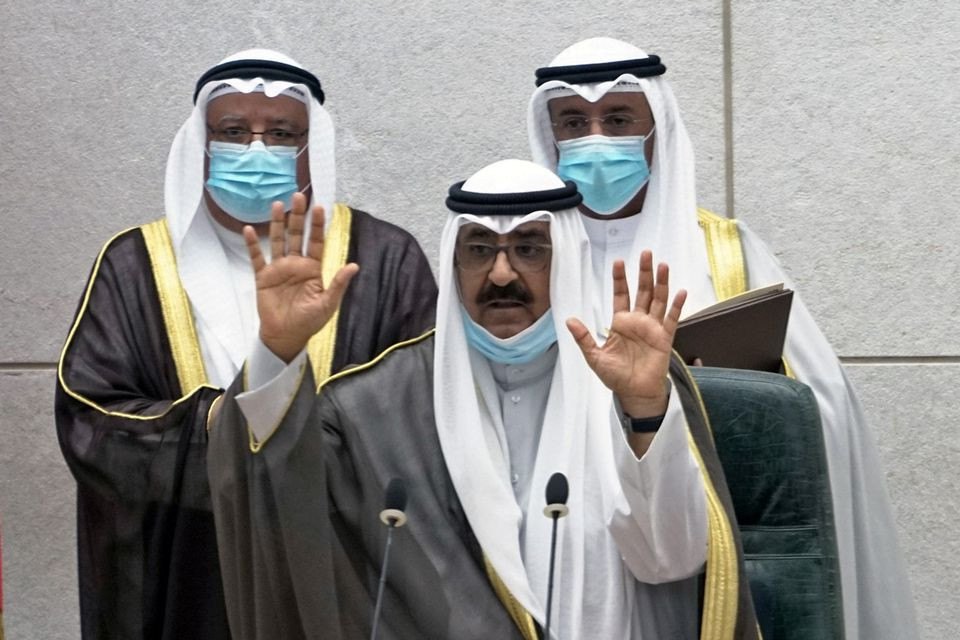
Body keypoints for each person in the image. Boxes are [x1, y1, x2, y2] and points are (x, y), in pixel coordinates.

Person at [208, 159, 761, 639]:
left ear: (566, 256)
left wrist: (643, 407)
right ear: (454, 263)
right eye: (479, 250)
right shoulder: (381, 402)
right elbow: (279, 505)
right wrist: (277, 351)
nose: (501, 273)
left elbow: (672, 558)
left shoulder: (636, 376)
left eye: (528, 249)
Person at [527, 36, 918, 639]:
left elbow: (823, 413)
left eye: (619, 119)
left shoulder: (725, 255)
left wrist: (718, 401)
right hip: (564, 555)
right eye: (574, 122)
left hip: (704, 557)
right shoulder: (523, 259)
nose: (596, 139)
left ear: (659, 128)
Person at [55, 49, 437, 639]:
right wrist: (235, 426)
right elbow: (91, 422)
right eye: (233, 132)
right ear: (201, 145)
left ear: (313, 146)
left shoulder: (381, 258)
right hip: (186, 573)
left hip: (341, 569)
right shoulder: (134, 265)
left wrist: (296, 450)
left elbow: (423, 418)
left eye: (282, 133)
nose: (256, 151)